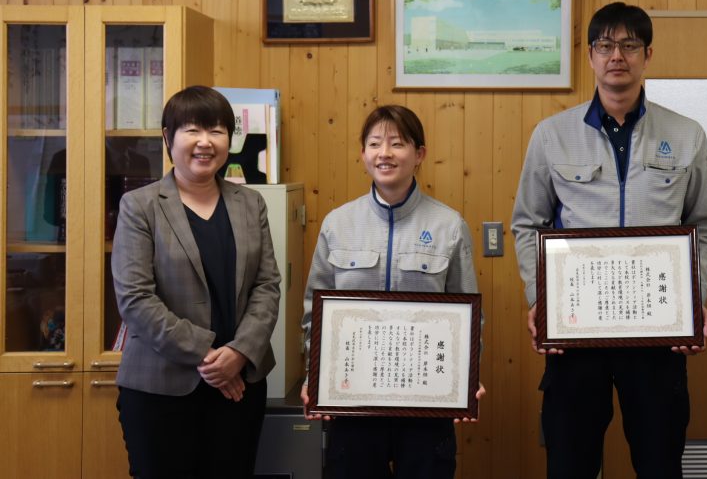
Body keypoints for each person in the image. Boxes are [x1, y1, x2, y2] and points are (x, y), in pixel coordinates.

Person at [511, 2, 707, 478]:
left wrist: (695, 297)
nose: (617, 56)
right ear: (590, 55)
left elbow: (706, 224)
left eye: (629, 45)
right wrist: (539, 296)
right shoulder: (552, 135)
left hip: (657, 333)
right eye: (605, 45)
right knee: (571, 462)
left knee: (659, 461)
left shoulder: (686, 134)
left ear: (647, 54)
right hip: (575, 333)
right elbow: (528, 224)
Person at [300, 104, 484, 479]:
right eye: (374, 144)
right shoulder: (338, 224)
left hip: (425, 405)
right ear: (363, 154)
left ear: (419, 155)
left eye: (397, 143)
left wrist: (467, 377)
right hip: (353, 403)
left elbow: (468, 314)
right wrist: (313, 376)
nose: (384, 153)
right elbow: (313, 316)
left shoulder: (449, 225)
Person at [111, 85, 281, 478]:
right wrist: (211, 358)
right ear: (168, 138)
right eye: (192, 130)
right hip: (160, 388)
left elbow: (267, 285)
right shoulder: (141, 206)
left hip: (240, 385)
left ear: (229, 141)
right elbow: (136, 299)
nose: (205, 142)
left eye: (217, 131)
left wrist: (239, 353)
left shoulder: (250, 203)